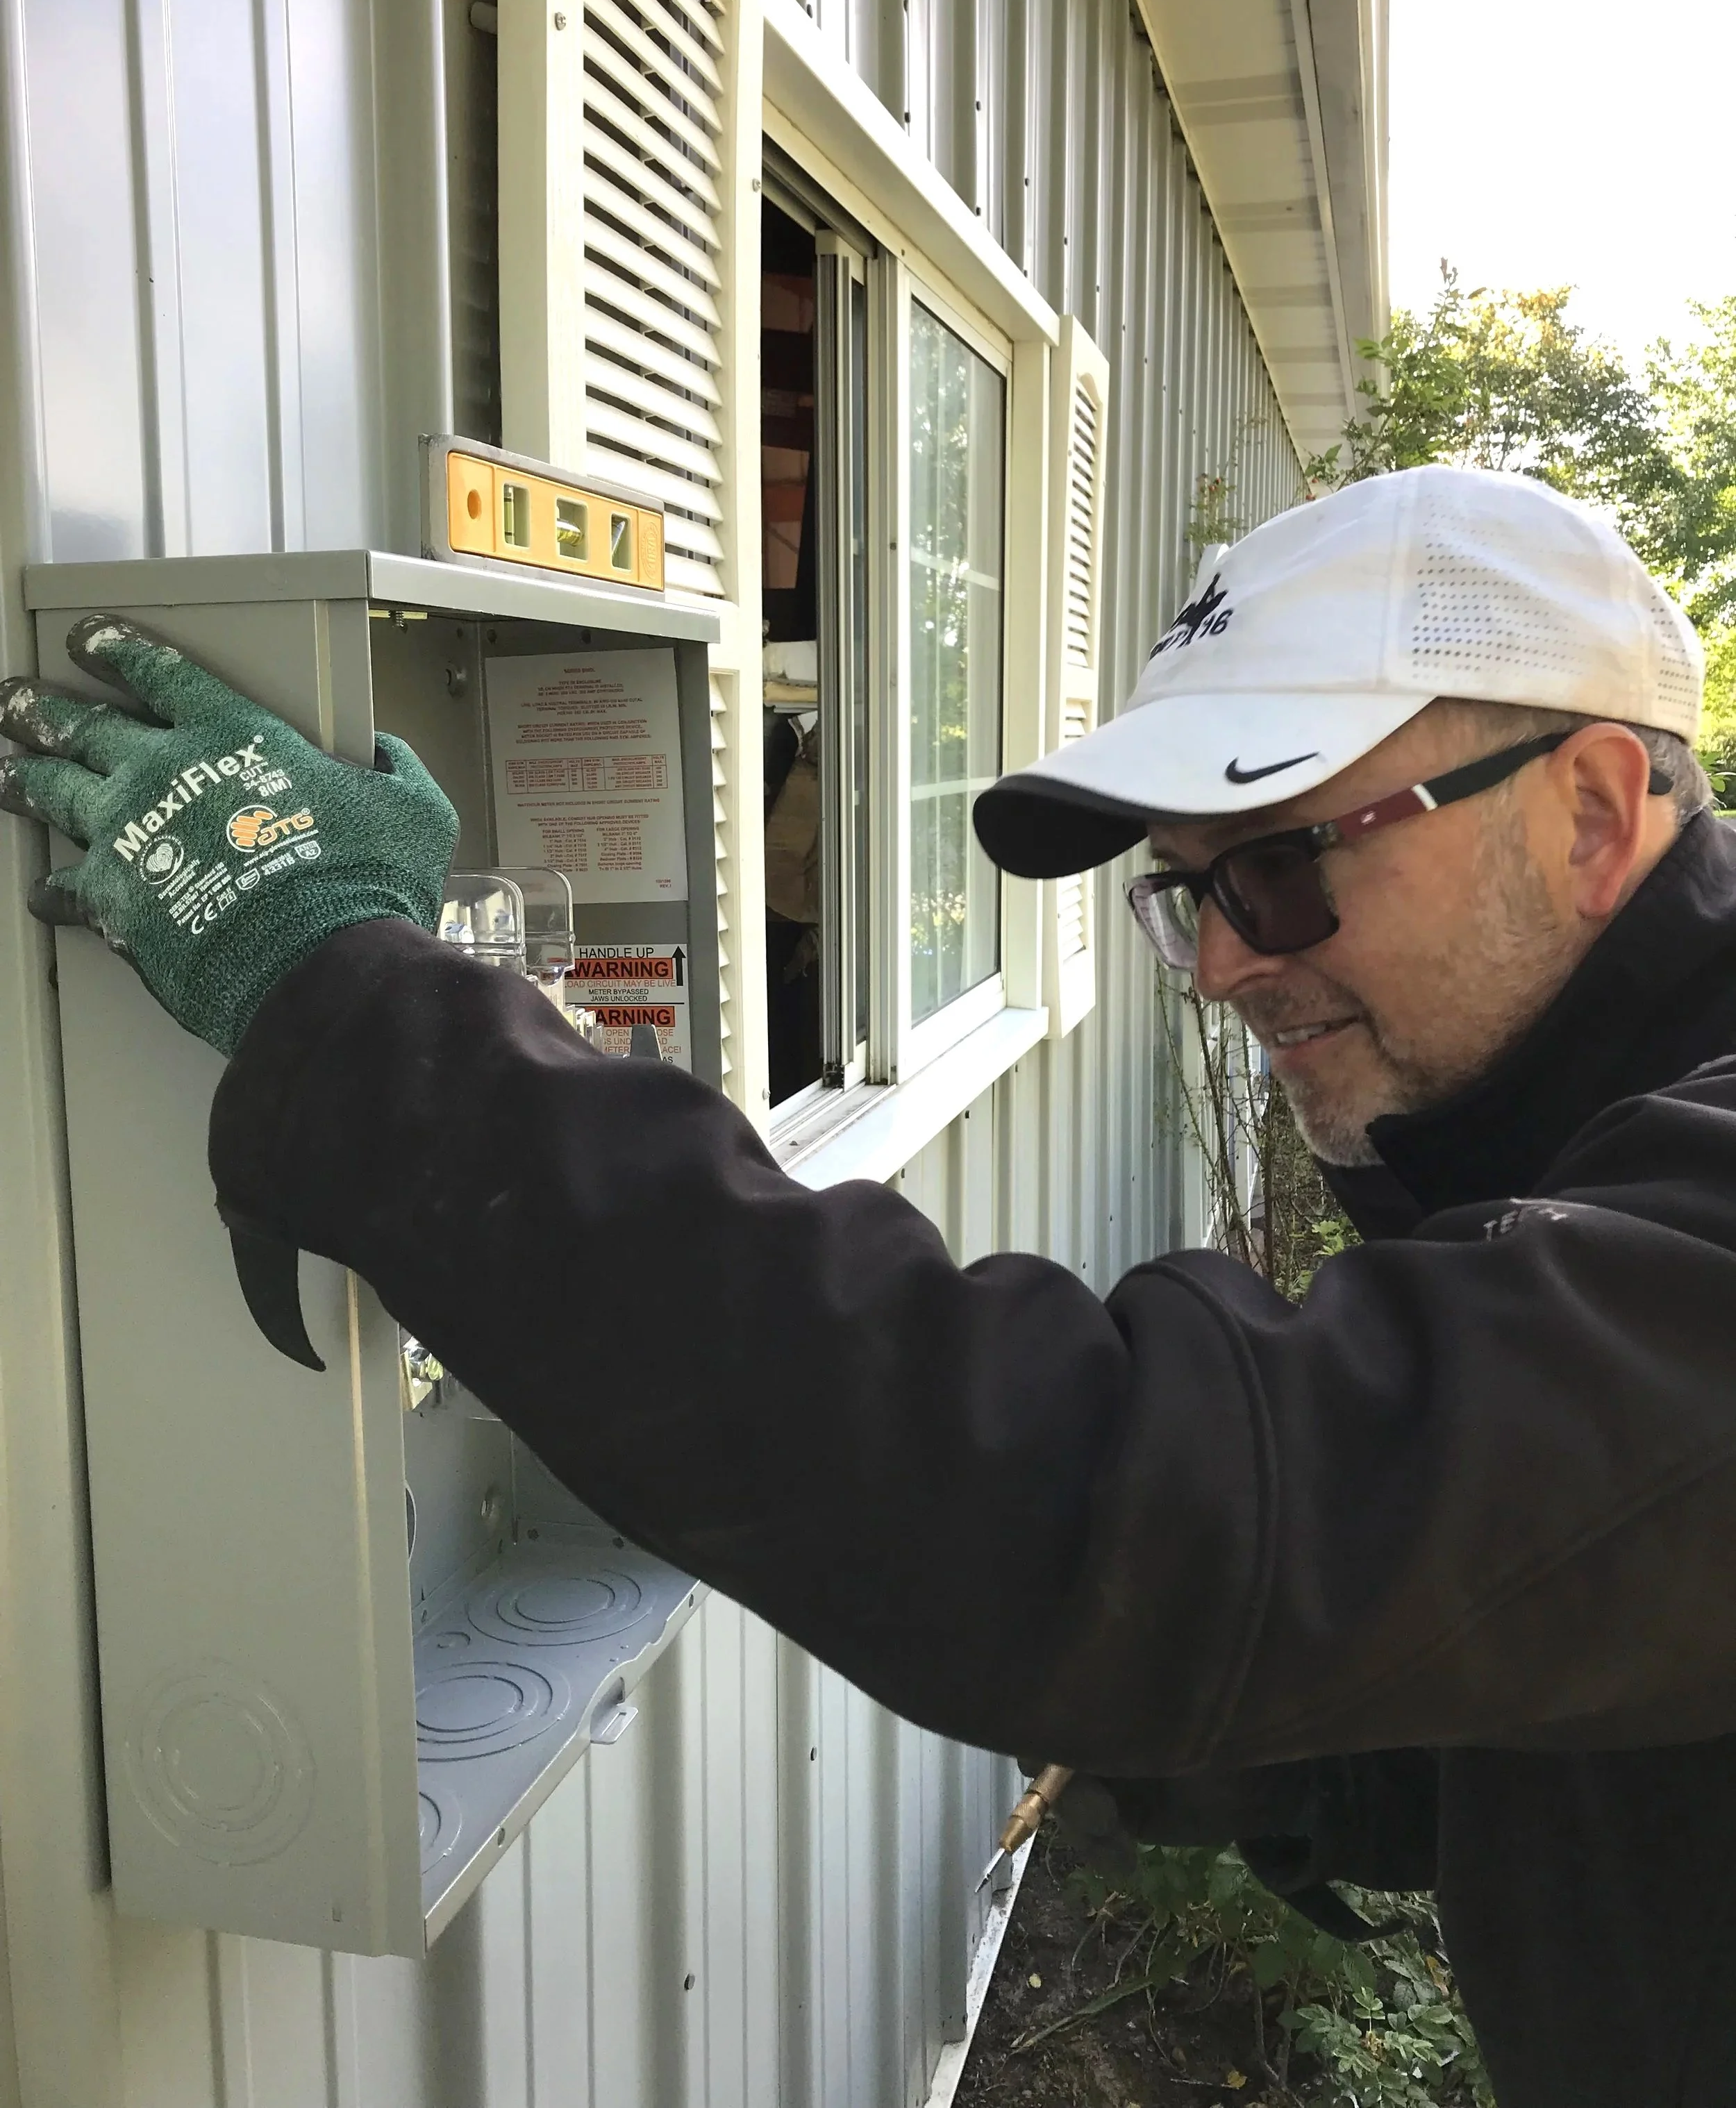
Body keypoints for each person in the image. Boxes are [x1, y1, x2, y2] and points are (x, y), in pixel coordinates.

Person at [3, 463, 1734, 2108]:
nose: (1216, 964)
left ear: (1587, 809)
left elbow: (1138, 1491)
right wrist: (1287, 1754)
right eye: (1187, 892)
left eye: (1280, 867)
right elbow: (1561, 1646)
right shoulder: (1579, 1155)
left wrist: (347, 1002)